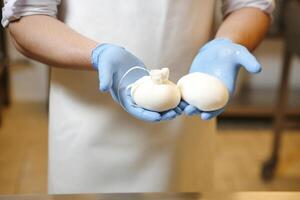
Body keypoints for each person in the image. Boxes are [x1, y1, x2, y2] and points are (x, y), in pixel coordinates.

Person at [2, 0, 274, 194]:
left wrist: (228, 42)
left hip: (183, 119)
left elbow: (250, 5)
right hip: (88, 123)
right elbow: (26, 18)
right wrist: (98, 55)